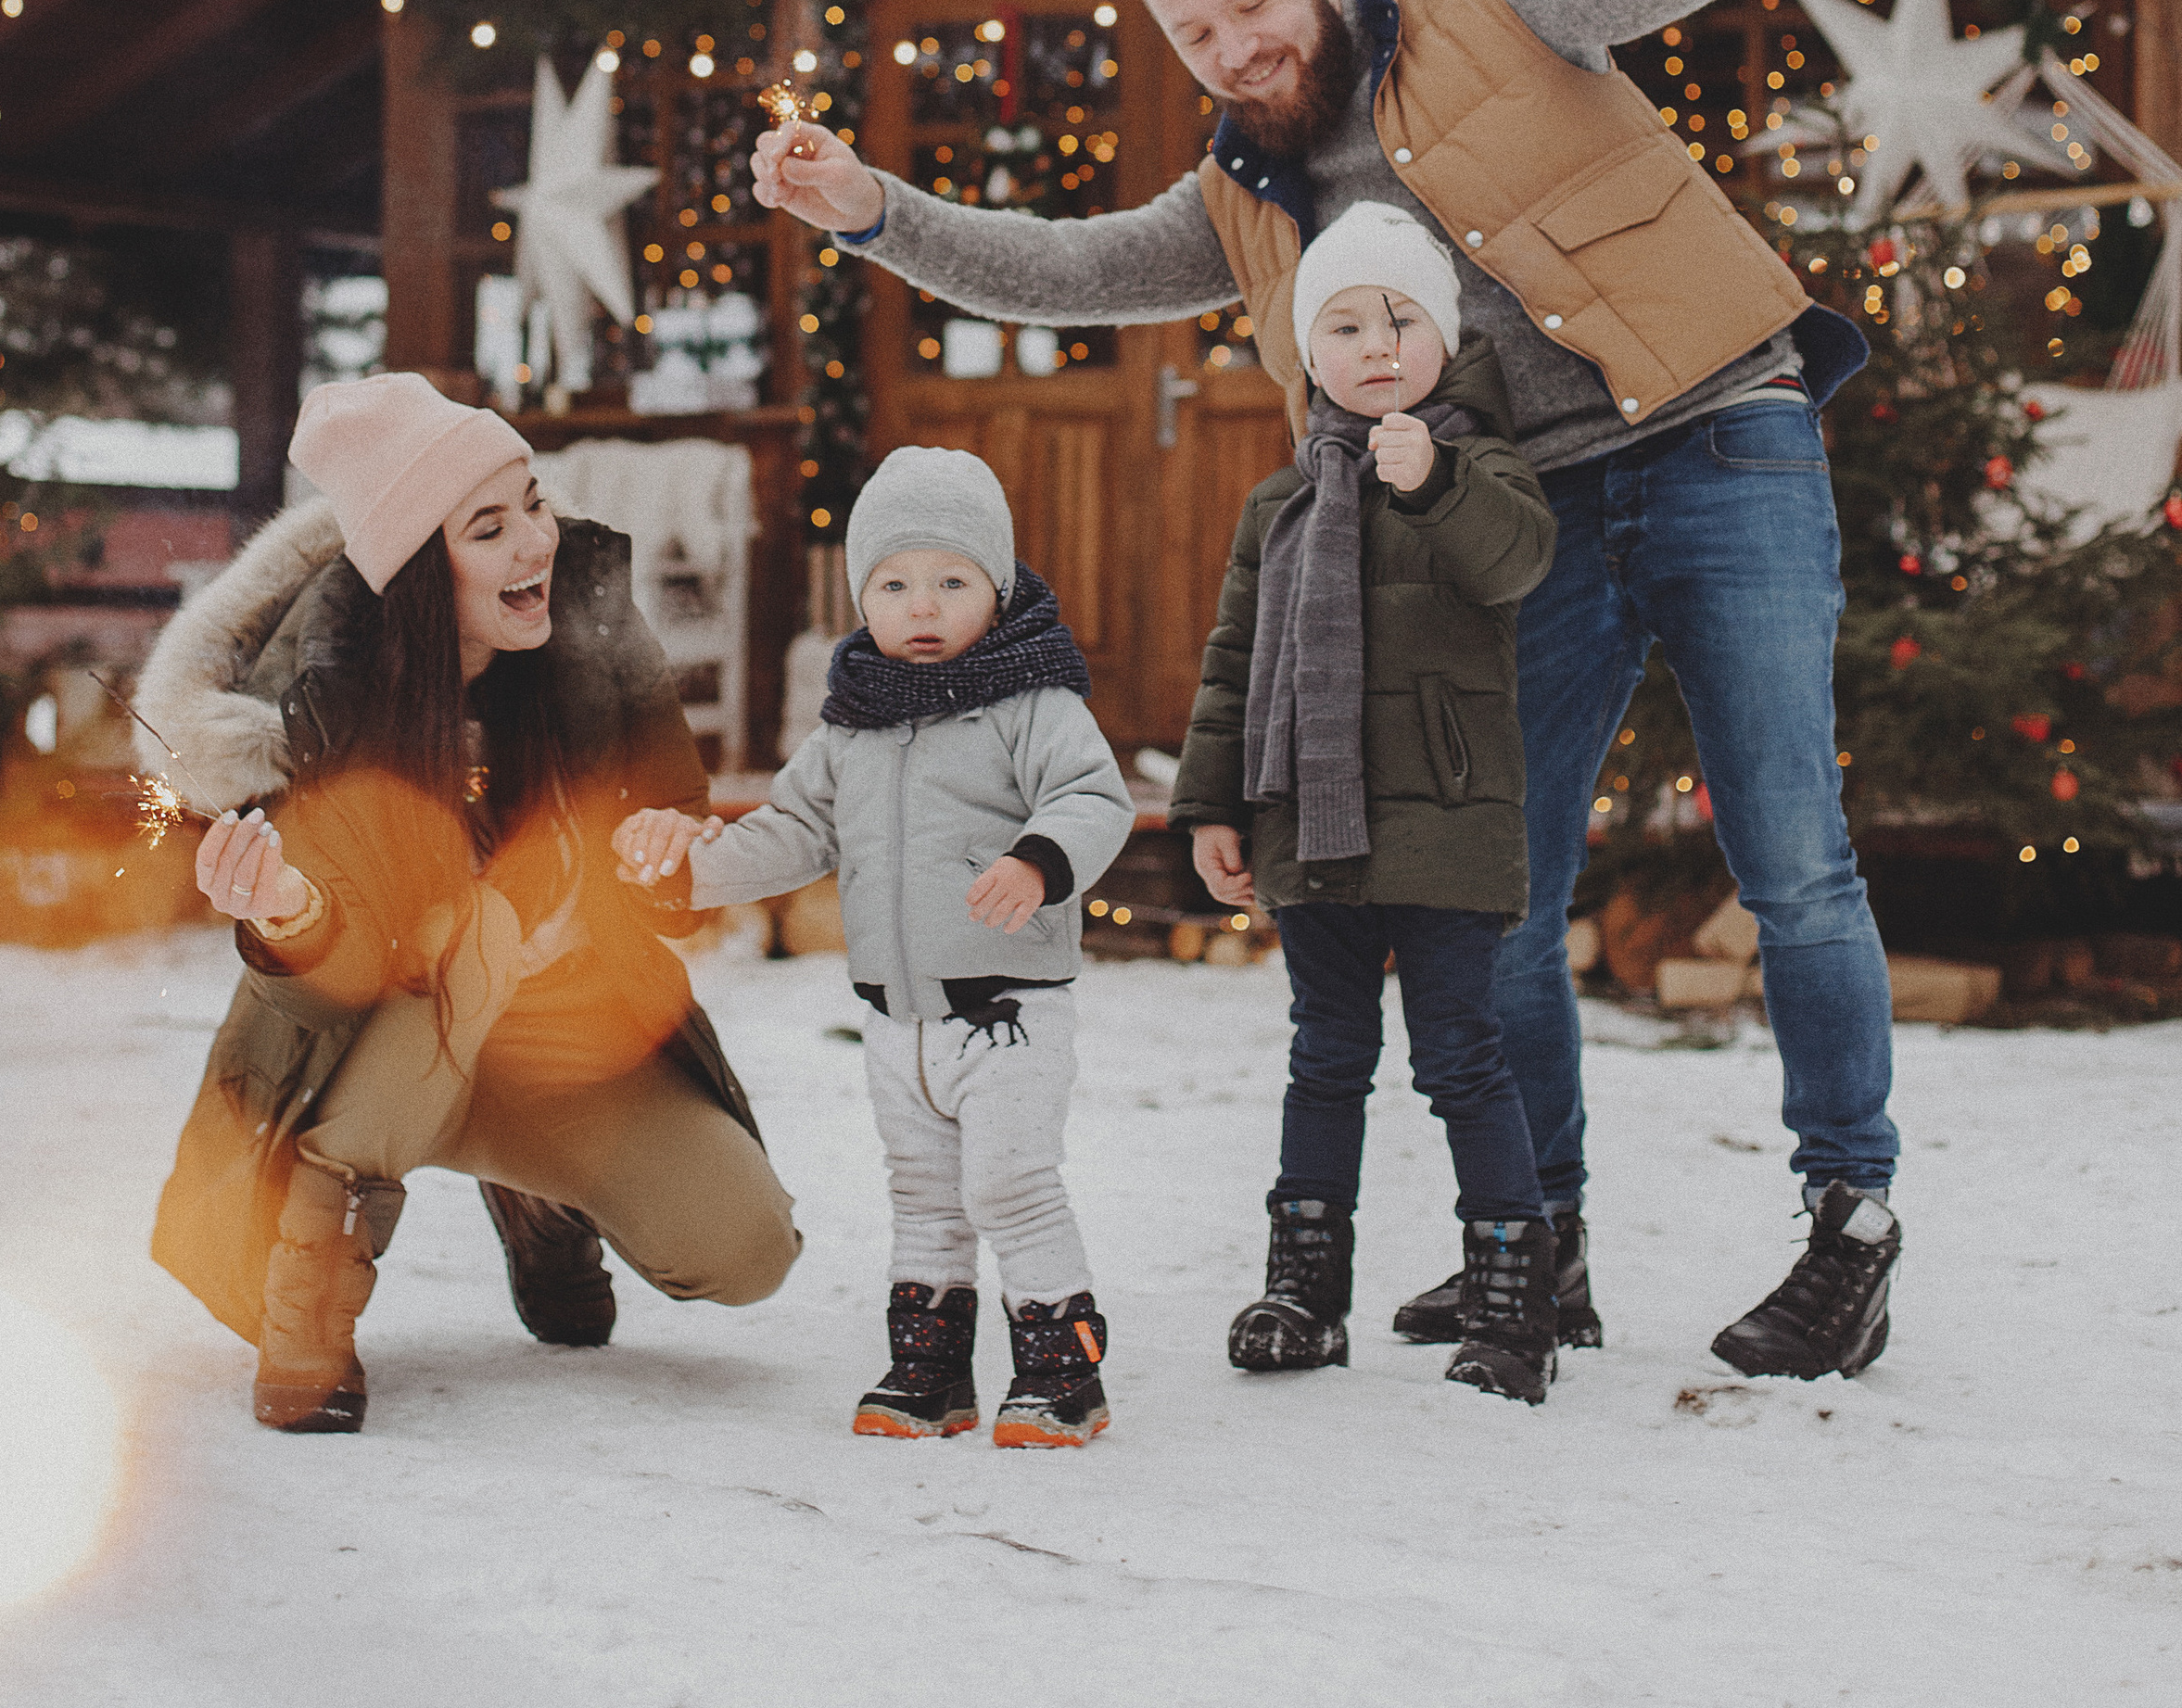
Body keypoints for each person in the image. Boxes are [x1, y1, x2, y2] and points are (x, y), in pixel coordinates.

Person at [753, 0, 1905, 1386]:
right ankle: (1539, 1242)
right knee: (1498, 892)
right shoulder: (1239, 193)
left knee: (1791, 858)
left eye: (1248, 4)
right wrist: (876, 210)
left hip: (1721, 430)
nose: (1234, 49)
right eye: (1197, 37)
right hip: (1514, 517)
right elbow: (1070, 268)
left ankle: (1849, 1215)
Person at [145, 373, 799, 1432]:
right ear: (412, 570)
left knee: (746, 1248)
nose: (536, 542)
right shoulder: (327, 698)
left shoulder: (586, 633)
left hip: (561, 1041)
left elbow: (671, 811)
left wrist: (667, 844)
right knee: (478, 924)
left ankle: (539, 1192)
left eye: (532, 504)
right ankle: (317, 1279)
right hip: (387, 1056)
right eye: (488, 528)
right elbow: (326, 981)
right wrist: (286, 916)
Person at [618, 447, 1134, 1448]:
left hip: (1008, 1008)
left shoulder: (1031, 703)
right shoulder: (851, 725)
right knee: (924, 1193)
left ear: (998, 586)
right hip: (897, 1016)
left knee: (1008, 1185)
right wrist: (692, 874)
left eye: (951, 580)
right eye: (894, 585)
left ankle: (1062, 1370)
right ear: (865, 599)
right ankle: (930, 1369)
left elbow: (1093, 798)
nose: (922, 605)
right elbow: (793, 830)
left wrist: (1036, 860)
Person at [1175, 210, 1561, 1399]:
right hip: (1312, 822)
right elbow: (1235, 663)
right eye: (1343, 325)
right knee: (1325, 1056)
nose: (1375, 344)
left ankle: (1510, 1295)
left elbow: (1516, 561)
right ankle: (1303, 1289)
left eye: (1400, 319)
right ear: (1310, 356)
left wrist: (1439, 482)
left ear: (1442, 337)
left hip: (1445, 820)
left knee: (1460, 1056)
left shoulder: (1481, 465)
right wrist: (1215, 807)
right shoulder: (1279, 506)